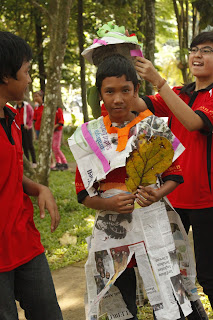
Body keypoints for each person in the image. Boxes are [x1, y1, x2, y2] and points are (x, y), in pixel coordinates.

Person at [69, 54, 193, 320]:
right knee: (122, 296)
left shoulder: (153, 128)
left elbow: (175, 175)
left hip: (153, 226)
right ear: (99, 94)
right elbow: (83, 192)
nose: (117, 99)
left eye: (126, 90)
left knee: (170, 291)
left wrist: (158, 193)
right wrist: (106, 203)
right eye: (109, 91)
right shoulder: (88, 136)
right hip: (113, 232)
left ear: (136, 91)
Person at [133, 30, 213, 311]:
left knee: (209, 276)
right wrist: (119, 69)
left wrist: (158, 81)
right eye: (194, 49)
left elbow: (193, 123)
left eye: (206, 50)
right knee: (172, 273)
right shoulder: (179, 93)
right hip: (171, 198)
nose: (197, 55)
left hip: (208, 202)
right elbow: (135, 105)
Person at [0, 31, 63, 319]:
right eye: (25, 72)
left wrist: (38, 188)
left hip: (25, 242)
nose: (29, 80)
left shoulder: (11, 121)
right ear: (4, 75)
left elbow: (11, 175)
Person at [14, 100, 37, 168]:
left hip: (27, 128)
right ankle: (28, 161)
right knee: (24, 145)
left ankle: (34, 161)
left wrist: (29, 125)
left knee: (30, 145)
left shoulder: (27, 106)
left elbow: (31, 115)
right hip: (19, 128)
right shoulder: (15, 107)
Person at [51, 106, 68, 171]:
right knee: (53, 147)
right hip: (53, 131)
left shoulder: (58, 110)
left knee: (56, 148)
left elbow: (61, 121)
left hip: (58, 130)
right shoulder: (49, 109)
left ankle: (64, 163)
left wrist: (55, 126)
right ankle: (58, 162)